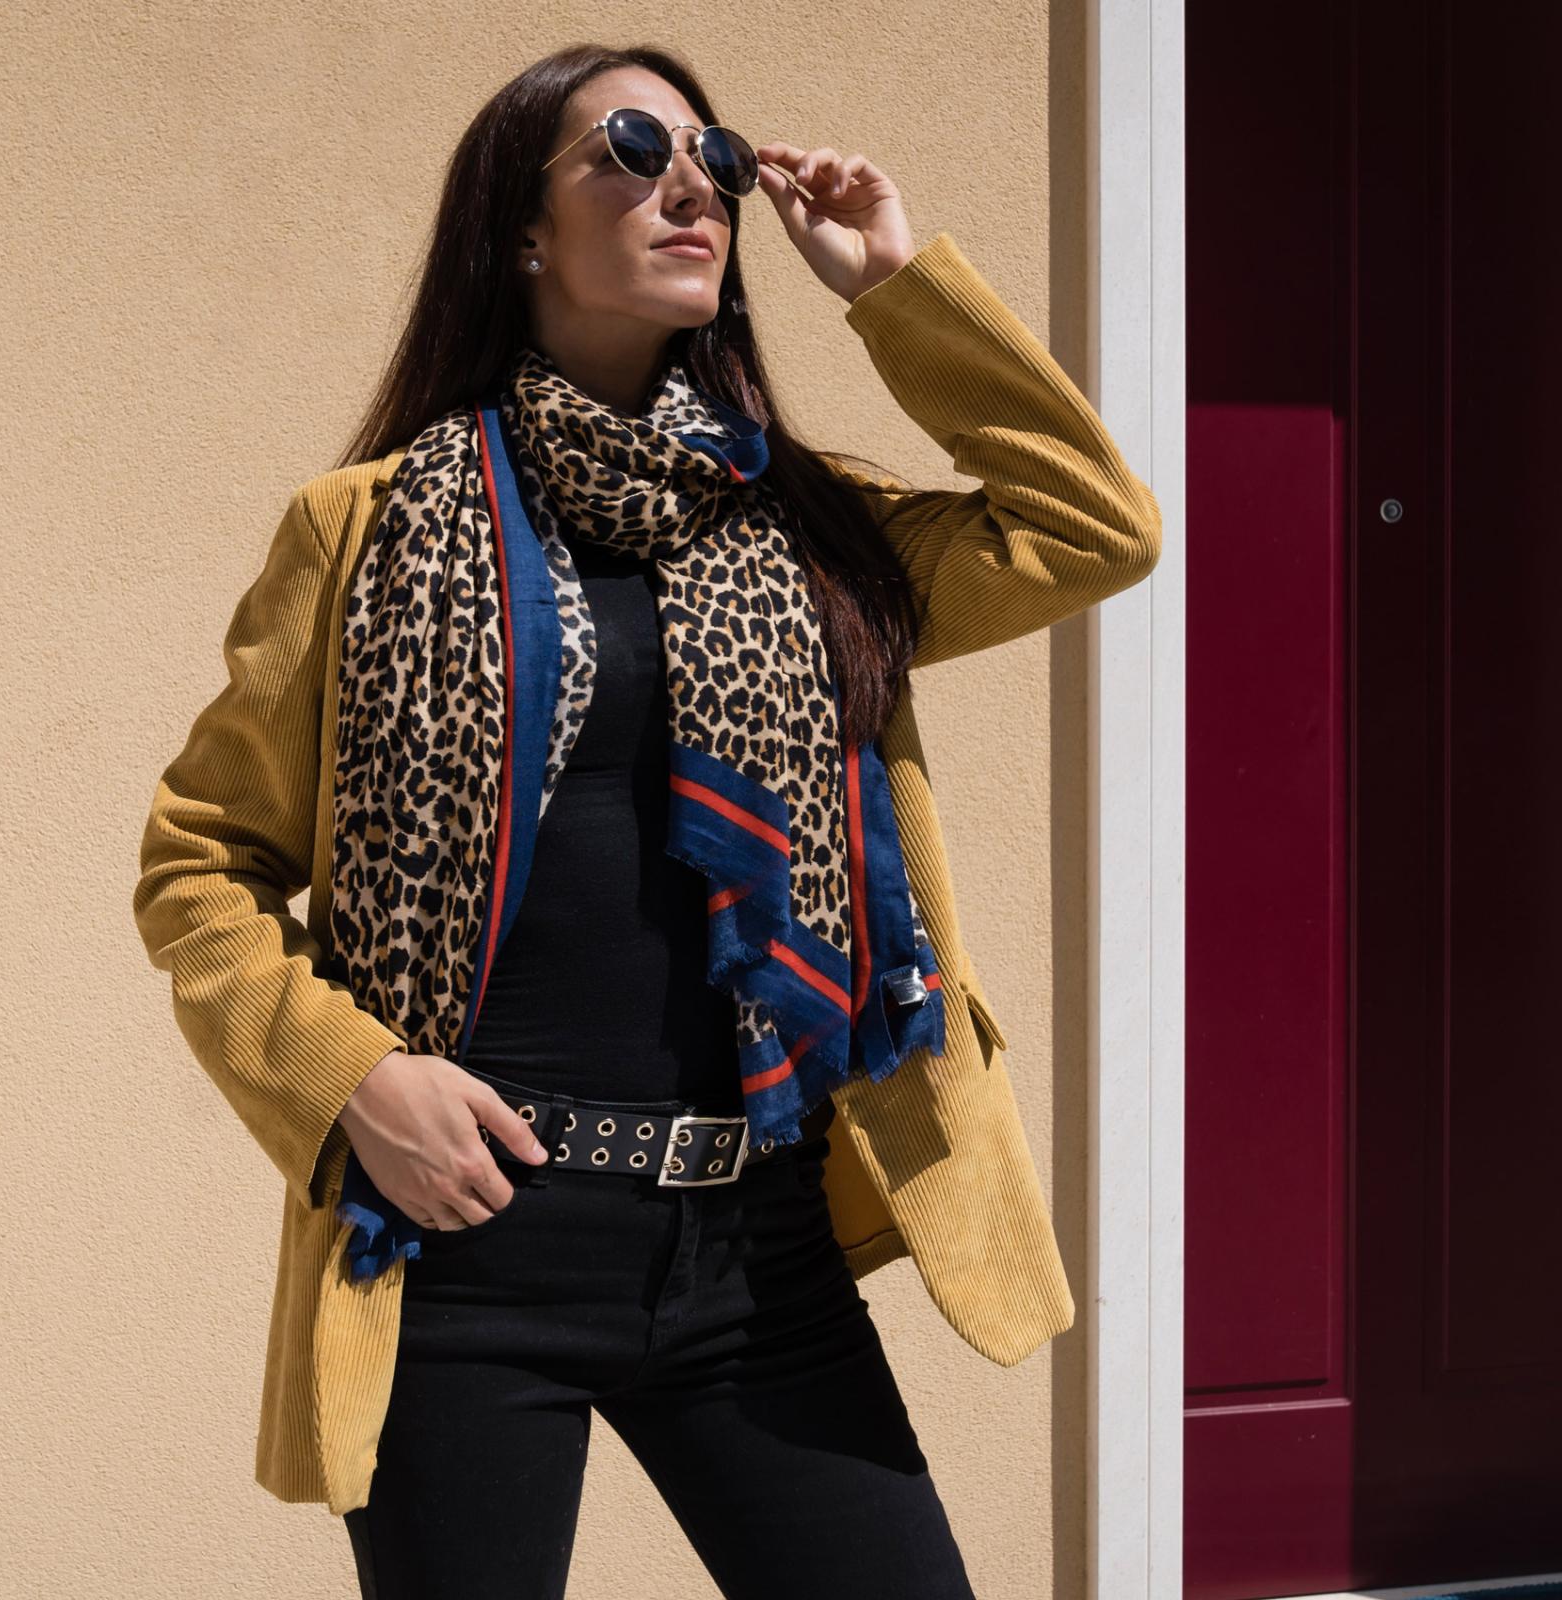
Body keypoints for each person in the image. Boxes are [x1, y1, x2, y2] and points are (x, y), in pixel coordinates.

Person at [132, 39, 1163, 1600]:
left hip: (756, 1248)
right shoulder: (365, 530)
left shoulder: (816, 533)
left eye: (717, 159)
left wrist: (892, 287)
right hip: (469, 1245)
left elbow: (1093, 525)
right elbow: (200, 863)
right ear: (522, 232)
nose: (696, 187)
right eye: (631, 149)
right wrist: (352, 1079)